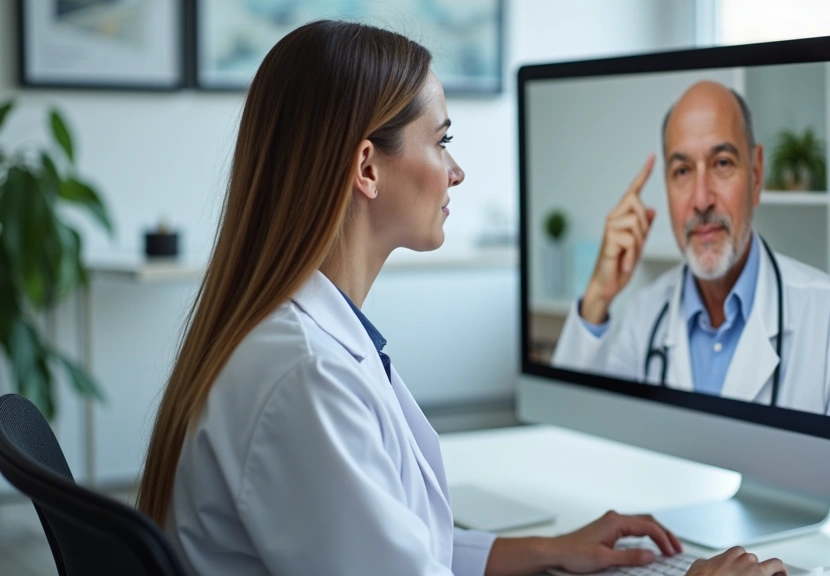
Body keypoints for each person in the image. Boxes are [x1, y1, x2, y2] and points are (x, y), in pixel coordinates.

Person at [136, 21, 787, 576]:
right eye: (442, 140)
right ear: (367, 168)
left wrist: (546, 549)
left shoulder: (299, 341)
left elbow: (392, 542)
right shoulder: (305, 376)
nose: (456, 171)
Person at [551, 80, 830, 428]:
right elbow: (576, 430)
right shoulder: (646, 315)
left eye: (722, 163)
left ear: (756, 175)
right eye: (682, 171)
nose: (701, 199)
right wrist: (598, 296)